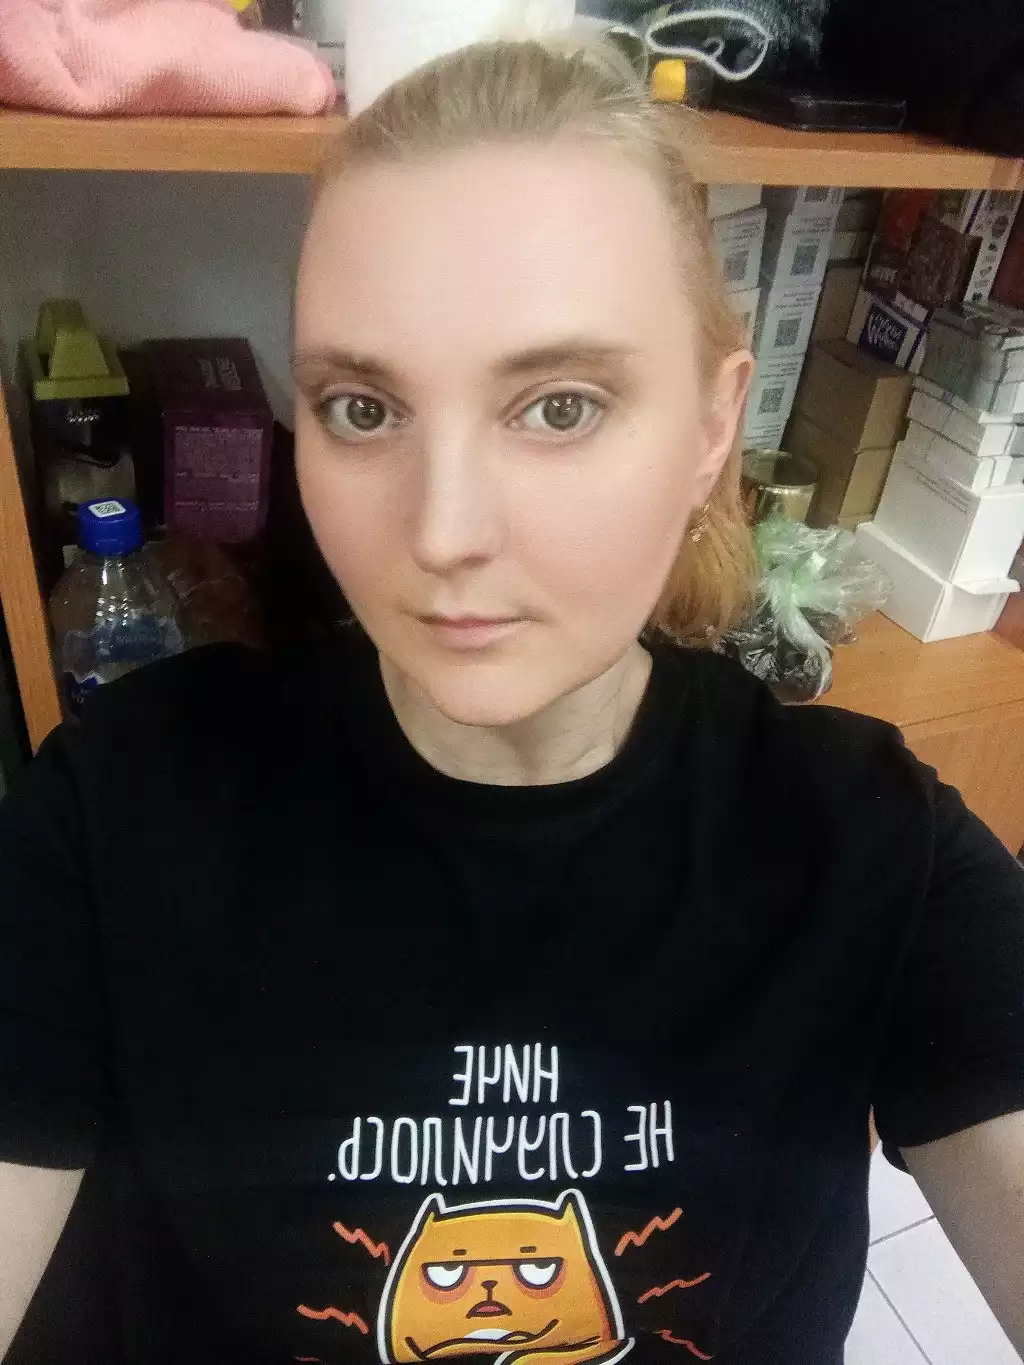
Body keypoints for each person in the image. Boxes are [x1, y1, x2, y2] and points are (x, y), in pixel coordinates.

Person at [1, 35, 1022, 1365]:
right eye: (363, 409)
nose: (443, 532)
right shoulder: (120, 808)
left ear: (713, 425)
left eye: (558, 407)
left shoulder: (869, 845)